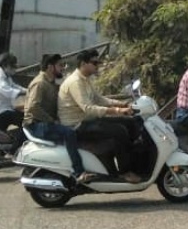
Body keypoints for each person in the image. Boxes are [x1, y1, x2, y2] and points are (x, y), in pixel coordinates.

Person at [58, 48, 142, 182]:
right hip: (77, 125)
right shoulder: (75, 82)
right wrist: (117, 110)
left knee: (131, 122)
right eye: (94, 63)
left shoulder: (85, 79)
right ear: (83, 64)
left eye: (98, 62)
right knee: (120, 131)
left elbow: (99, 99)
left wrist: (122, 104)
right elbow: (88, 109)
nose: (98, 66)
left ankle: (134, 162)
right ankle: (125, 172)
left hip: (88, 121)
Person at [23, 54, 95, 184]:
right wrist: (52, 120)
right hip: (36, 125)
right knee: (69, 133)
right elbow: (33, 107)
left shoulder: (50, 83)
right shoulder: (40, 83)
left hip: (44, 122)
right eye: (60, 65)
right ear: (50, 67)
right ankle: (78, 172)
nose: (63, 68)